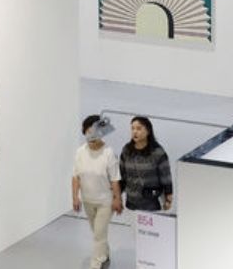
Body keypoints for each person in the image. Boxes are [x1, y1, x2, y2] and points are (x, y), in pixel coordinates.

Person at [72, 115, 122, 269]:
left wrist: (117, 199)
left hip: (105, 202)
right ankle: (105, 254)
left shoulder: (108, 153)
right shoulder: (80, 152)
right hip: (88, 201)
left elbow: (115, 179)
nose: (91, 136)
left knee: (98, 235)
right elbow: (76, 177)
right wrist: (75, 197)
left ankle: (96, 264)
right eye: (88, 132)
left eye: (94, 132)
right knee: (98, 233)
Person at [118, 116, 173, 212]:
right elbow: (121, 175)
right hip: (131, 202)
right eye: (132, 128)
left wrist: (168, 198)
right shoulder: (127, 150)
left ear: (148, 131)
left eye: (139, 128)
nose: (135, 132)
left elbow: (166, 177)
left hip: (151, 202)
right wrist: (116, 196)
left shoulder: (157, 152)